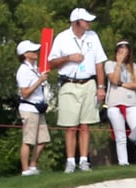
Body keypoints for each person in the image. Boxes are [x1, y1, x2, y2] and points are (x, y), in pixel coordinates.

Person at [48, 8, 107, 173]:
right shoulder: (62, 37)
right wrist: (68, 58)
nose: (89, 23)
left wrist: (101, 87)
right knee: (70, 126)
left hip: (89, 83)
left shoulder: (93, 36)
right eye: (85, 20)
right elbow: (51, 63)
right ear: (76, 22)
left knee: (85, 125)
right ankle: (70, 161)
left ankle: (83, 161)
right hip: (69, 83)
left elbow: (99, 63)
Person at [15, 40, 51, 176]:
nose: (36, 53)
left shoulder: (34, 68)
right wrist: (39, 81)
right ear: (25, 54)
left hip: (38, 108)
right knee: (28, 140)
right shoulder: (23, 70)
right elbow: (25, 93)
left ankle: (32, 165)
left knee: (43, 140)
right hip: (29, 108)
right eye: (33, 51)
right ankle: (25, 170)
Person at [104, 40, 136, 166]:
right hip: (115, 104)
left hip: (131, 103)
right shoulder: (110, 64)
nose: (123, 55)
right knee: (120, 136)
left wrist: (122, 84)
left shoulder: (134, 66)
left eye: (125, 53)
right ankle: (123, 162)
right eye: (120, 52)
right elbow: (114, 80)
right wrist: (119, 64)